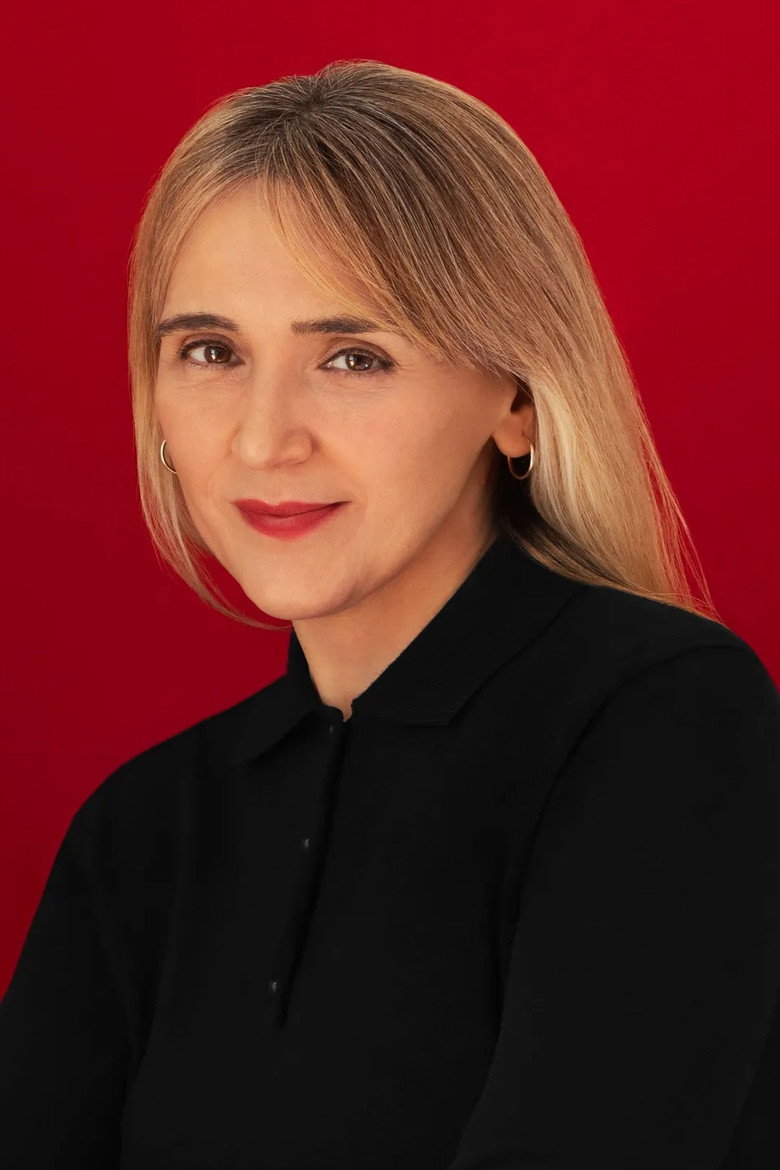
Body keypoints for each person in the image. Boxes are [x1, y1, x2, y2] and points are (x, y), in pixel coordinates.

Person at [1, 58, 778, 1170]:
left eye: (353, 357)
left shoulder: (667, 720)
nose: (262, 438)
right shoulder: (142, 831)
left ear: (518, 400)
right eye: (211, 352)